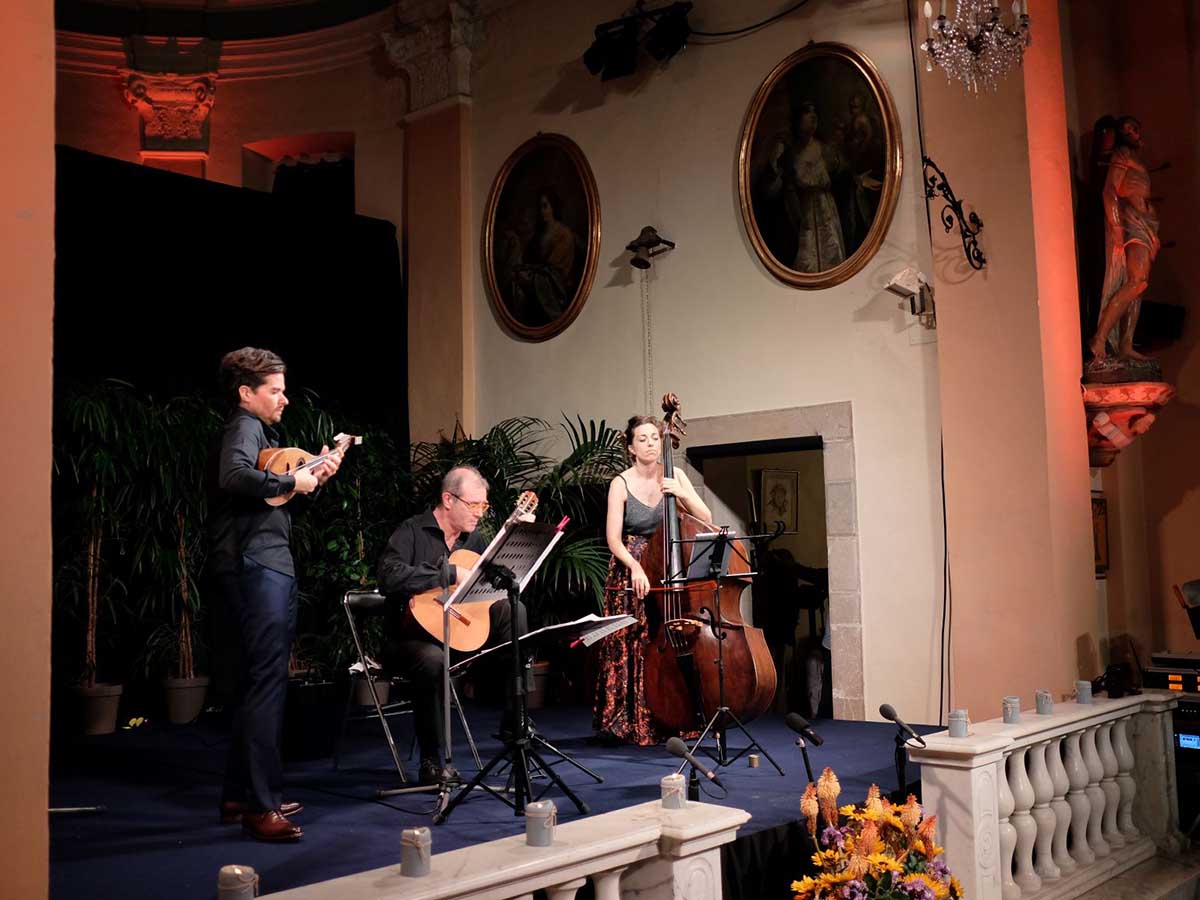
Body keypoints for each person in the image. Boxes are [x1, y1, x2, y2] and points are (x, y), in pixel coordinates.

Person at [206, 347, 342, 843]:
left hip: (259, 562)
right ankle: (260, 807)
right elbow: (234, 476)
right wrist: (293, 479)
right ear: (247, 393)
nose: (285, 398)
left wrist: (312, 478)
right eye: (276, 390)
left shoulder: (261, 434)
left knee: (255, 682)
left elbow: (264, 492)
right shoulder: (243, 427)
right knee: (265, 683)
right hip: (256, 565)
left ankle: (239, 795)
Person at [377, 465, 529, 785]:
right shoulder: (413, 531)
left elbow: (496, 584)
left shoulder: (475, 540)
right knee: (433, 659)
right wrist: (446, 575)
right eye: (473, 505)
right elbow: (388, 576)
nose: (479, 513)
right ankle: (431, 761)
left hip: (459, 634)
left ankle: (513, 722)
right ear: (448, 499)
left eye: (483, 506)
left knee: (515, 611)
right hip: (408, 640)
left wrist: (514, 553)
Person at [592, 415, 712, 746]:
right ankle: (632, 720)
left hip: (668, 565)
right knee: (635, 640)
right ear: (630, 447)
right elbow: (613, 539)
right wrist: (635, 566)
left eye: (655, 438)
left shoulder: (676, 475)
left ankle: (675, 712)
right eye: (642, 439)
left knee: (671, 637)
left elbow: (706, 517)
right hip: (632, 568)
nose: (650, 444)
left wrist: (682, 494)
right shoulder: (621, 483)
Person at [1089, 116, 1160, 363]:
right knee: (1136, 282)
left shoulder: (1136, 158)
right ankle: (1100, 337)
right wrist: (1117, 225)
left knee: (1139, 286)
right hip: (1133, 221)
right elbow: (1109, 191)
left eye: (1135, 126)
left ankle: (1126, 344)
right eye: (1128, 129)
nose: (1134, 131)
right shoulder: (1121, 154)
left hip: (1147, 224)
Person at [756, 99, 847, 273]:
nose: (812, 121)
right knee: (806, 256)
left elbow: (840, 172)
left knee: (830, 249)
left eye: (814, 117)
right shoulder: (790, 152)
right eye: (806, 116)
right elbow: (777, 188)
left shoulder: (824, 149)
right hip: (802, 210)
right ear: (797, 122)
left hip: (824, 208)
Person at [509, 187, 582, 326]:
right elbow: (529, 259)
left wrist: (531, 276)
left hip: (556, 285)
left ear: (553, 207)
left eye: (545, 206)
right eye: (540, 207)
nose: (542, 211)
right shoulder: (538, 235)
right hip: (539, 276)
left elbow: (554, 268)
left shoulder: (564, 234)